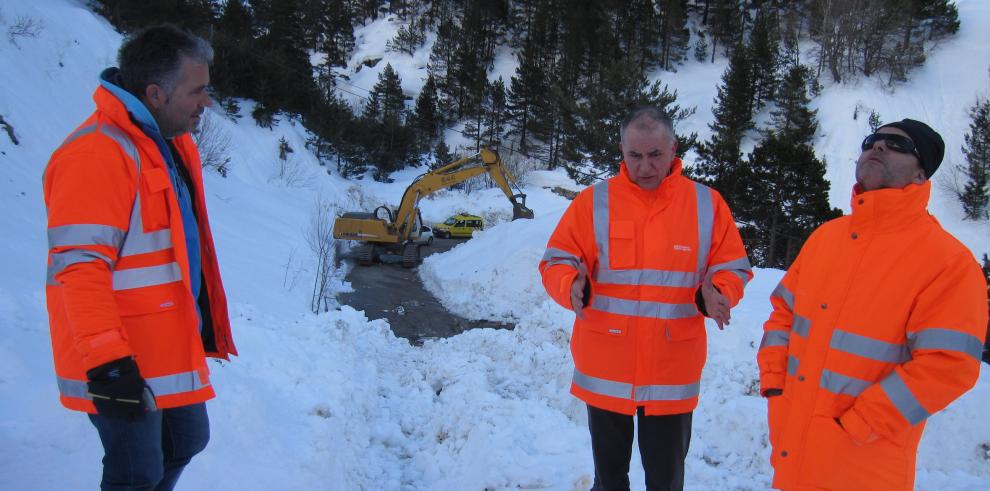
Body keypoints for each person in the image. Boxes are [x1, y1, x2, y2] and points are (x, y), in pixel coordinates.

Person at [43, 24, 237, 490]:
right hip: (117, 357)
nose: (206, 102)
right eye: (198, 91)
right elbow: (80, 266)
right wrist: (108, 364)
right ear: (155, 93)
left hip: (165, 346)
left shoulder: (167, 146)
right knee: (136, 473)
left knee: (187, 439)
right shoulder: (97, 153)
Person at [757, 119, 988, 490]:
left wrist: (861, 423)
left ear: (920, 173)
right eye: (872, 140)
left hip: (865, 469)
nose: (878, 147)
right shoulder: (826, 239)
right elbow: (783, 315)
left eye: (896, 144)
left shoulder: (948, 263)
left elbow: (949, 367)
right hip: (794, 458)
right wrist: (774, 384)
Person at [539, 107, 752, 490]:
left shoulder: (706, 204)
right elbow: (557, 259)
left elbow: (732, 266)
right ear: (621, 149)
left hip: (672, 371)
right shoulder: (594, 202)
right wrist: (570, 284)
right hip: (606, 366)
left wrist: (718, 292)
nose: (645, 166)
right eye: (634, 155)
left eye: (655, 155)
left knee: (666, 481)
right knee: (609, 480)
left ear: (673, 148)